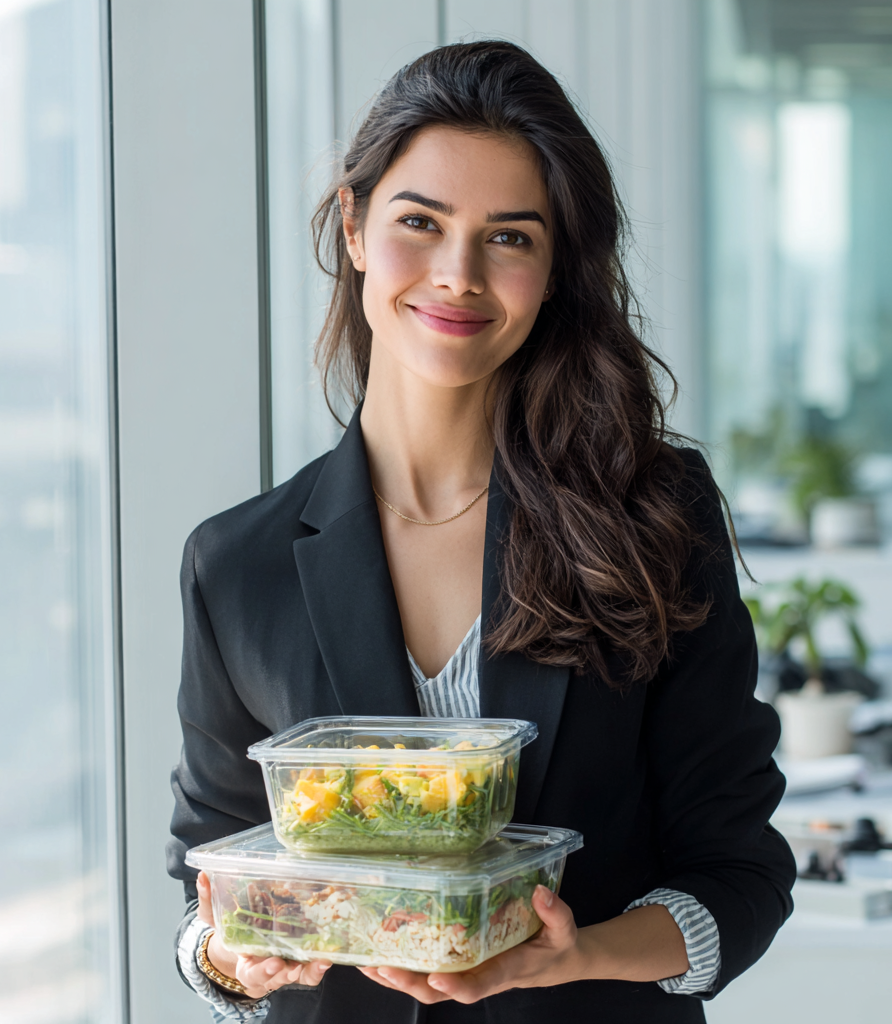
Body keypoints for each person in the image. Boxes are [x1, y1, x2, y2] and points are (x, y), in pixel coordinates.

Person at [167, 40, 795, 1024]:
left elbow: (739, 874)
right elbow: (209, 872)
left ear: (551, 271)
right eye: (420, 221)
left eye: (508, 237)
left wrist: (573, 955)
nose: (456, 274)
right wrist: (230, 957)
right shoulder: (235, 565)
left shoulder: (650, 517)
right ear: (356, 225)